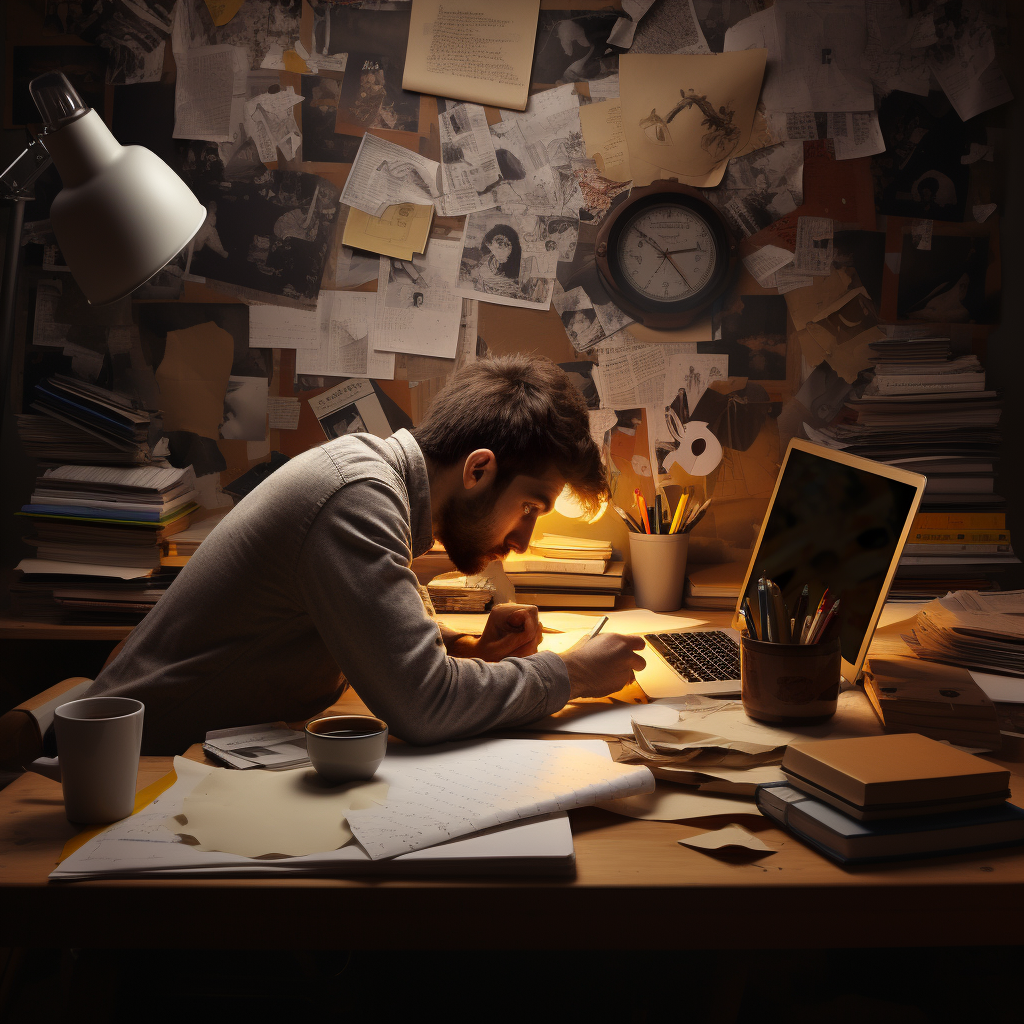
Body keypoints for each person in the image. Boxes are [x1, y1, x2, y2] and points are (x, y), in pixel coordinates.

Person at [84, 357, 646, 754]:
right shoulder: (355, 498)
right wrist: (569, 673)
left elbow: (364, 624)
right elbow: (424, 707)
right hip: (139, 766)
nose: (524, 540)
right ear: (478, 470)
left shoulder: (375, 481)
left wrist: (466, 646)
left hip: (197, 752)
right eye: (530, 507)